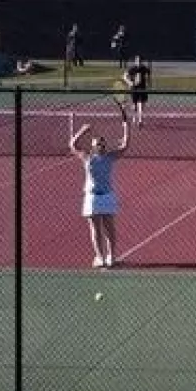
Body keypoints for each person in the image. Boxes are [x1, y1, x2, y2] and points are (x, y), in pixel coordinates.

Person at [69, 105, 131, 269]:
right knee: (99, 228)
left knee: (106, 228)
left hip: (103, 196)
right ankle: (102, 257)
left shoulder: (102, 157)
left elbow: (125, 145)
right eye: (98, 143)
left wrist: (126, 127)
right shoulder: (90, 158)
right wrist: (82, 131)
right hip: (96, 197)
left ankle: (108, 257)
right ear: (94, 146)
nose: (101, 145)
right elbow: (73, 145)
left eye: (102, 143)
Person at [123, 55, 153, 125]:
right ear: (135, 61)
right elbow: (124, 76)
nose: (138, 62)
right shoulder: (132, 68)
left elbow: (149, 78)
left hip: (142, 89)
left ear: (142, 61)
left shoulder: (145, 69)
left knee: (141, 104)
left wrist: (149, 84)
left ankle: (140, 120)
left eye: (140, 61)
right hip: (134, 89)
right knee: (134, 105)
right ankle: (134, 117)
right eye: (137, 61)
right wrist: (129, 82)